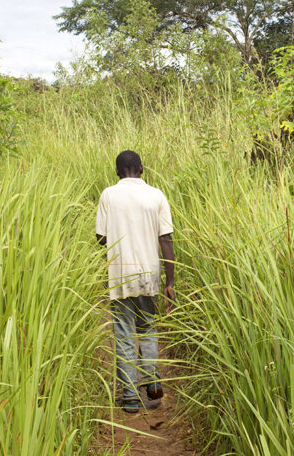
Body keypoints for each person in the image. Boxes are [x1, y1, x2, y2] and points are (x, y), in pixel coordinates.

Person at [95, 150, 177, 413]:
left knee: (124, 334)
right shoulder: (156, 195)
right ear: (142, 169)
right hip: (149, 274)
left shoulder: (109, 195)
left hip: (120, 274)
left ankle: (130, 397)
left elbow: (100, 238)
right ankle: (152, 388)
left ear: (118, 172)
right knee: (148, 329)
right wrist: (170, 282)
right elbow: (166, 240)